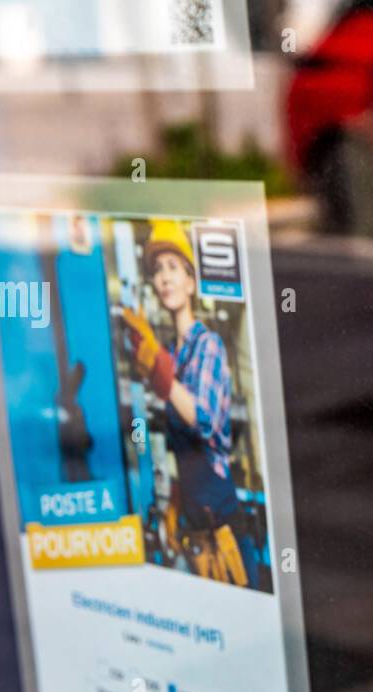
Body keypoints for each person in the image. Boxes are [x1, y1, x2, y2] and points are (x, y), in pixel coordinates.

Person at [120, 220, 248, 586]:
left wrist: (161, 374)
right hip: (194, 527)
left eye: (173, 268)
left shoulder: (208, 346)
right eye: (157, 270)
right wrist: (175, 499)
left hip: (223, 534)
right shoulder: (174, 355)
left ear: (191, 282)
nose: (164, 278)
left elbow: (202, 419)